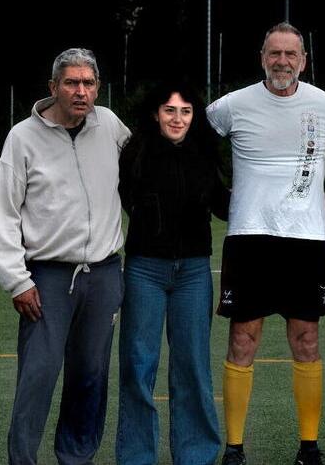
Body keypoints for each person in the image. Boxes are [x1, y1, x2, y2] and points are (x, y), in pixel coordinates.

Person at [206, 22, 325, 465]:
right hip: (249, 240)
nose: (283, 62)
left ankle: (309, 447)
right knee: (243, 339)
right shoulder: (231, 106)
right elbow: (192, 144)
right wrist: (219, 199)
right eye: (275, 53)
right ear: (262, 57)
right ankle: (234, 448)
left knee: (306, 339)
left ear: (304, 61)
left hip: (307, 241)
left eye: (291, 55)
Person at [0, 48, 130, 464]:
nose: (81, 92)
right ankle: (23, 460)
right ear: (53, 88)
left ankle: (75, 458)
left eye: (88, 84)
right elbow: (5, 211)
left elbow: (146, 163)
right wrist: (17, 279)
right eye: (71, 83)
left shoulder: (109, 125)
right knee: (38, 377)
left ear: (98, 88)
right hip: (46, 278)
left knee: (90, 378)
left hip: (104, 274)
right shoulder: (22, 137)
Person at [115, 80, 230, 464]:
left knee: (193, 366)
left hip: (194, 274)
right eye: (170, 110)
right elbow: (122, 200)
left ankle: (195, 454)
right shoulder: (135, 155)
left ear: (193, 116)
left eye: (185, 111)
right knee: (137, 365)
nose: (177, 119)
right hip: (144, 270)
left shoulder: (204, 156)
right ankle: (136, 456)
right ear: (155, 114)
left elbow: (223, 206)